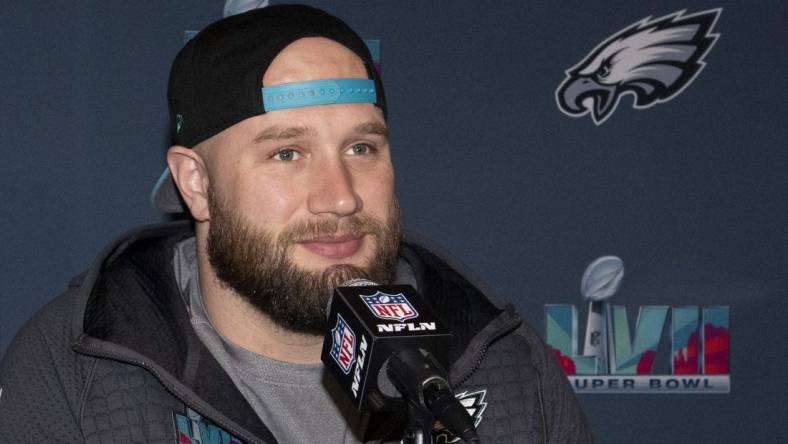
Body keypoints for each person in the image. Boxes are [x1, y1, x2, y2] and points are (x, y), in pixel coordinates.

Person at [0, 5, 591, 443]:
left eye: (362, 149)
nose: (339, 199)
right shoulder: (78, 370)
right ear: (196, 183)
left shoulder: (500, 362)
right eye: (287, 154)